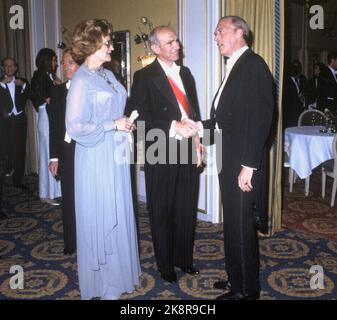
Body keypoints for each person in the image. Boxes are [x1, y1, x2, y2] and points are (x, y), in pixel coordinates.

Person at [197, 16, 274, 300]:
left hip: (243, 163)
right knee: (232, 223)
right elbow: (223, 120)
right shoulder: (235, 66)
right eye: (215, 32)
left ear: (239, 33)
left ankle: (246, 292)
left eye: (220, 31)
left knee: (241, 227)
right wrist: (196, 126)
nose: (215, 36)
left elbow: (260, 120)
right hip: (228, 159)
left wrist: (249, 167)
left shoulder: (254, 66)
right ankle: (235, 279)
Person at [66, 19, 141, 300]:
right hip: (95, 157)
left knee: (118, 213)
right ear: (93, 45)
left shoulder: (107, 74)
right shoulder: (81, 80)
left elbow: (117, 108)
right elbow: (74, 126)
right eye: (107, 42)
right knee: (102, 214)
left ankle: (117, 278)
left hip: (116, 154)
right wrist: (112, 124)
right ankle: (103, 285)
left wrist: (123, 123)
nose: (111, 47)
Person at [126, 26, 201, 283]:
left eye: (176, 40)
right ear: (155, 48)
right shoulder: (144, 76)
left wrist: (199, 145)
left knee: (186, 208)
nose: (177, 45)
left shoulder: (186, 74)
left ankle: (183, 259)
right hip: (161, 148)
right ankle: (165, 264)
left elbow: (195, 114)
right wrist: (172, 126)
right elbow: (138, 118)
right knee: (162, 209)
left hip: (188, 149)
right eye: (170, 42)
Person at [47, 49, 79, 255]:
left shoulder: (90, 90)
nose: (65, 67)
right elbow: (55, 127)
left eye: (70, 63)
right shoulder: (58, 92)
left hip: (88, 150)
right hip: (67, 153)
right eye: (63, 63)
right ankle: (71, 241)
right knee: (69, 198)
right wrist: (54, 156)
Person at [31, 48, 62, 205]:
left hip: (53, 115)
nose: (56, 63)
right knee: (46, 152)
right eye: (54, 60)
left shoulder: (51, 77)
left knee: (54, 150)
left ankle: (55, 190)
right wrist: (48, 98)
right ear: (46, 60)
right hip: (45, 116)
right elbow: (36, 98)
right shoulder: (38, 76)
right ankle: (45, 193)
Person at [0, 57, 30, 188]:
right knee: (5, 151)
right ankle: (5, 173)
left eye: (12, 65)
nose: (9, 68)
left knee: (19, 152)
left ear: (16, 67)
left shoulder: (22, 81)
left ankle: (17, 181)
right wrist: (1, 84)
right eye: (6, 66)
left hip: (19, 122)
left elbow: (31, 94)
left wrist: (23, 86)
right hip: (4, 123)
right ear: (2, 68)